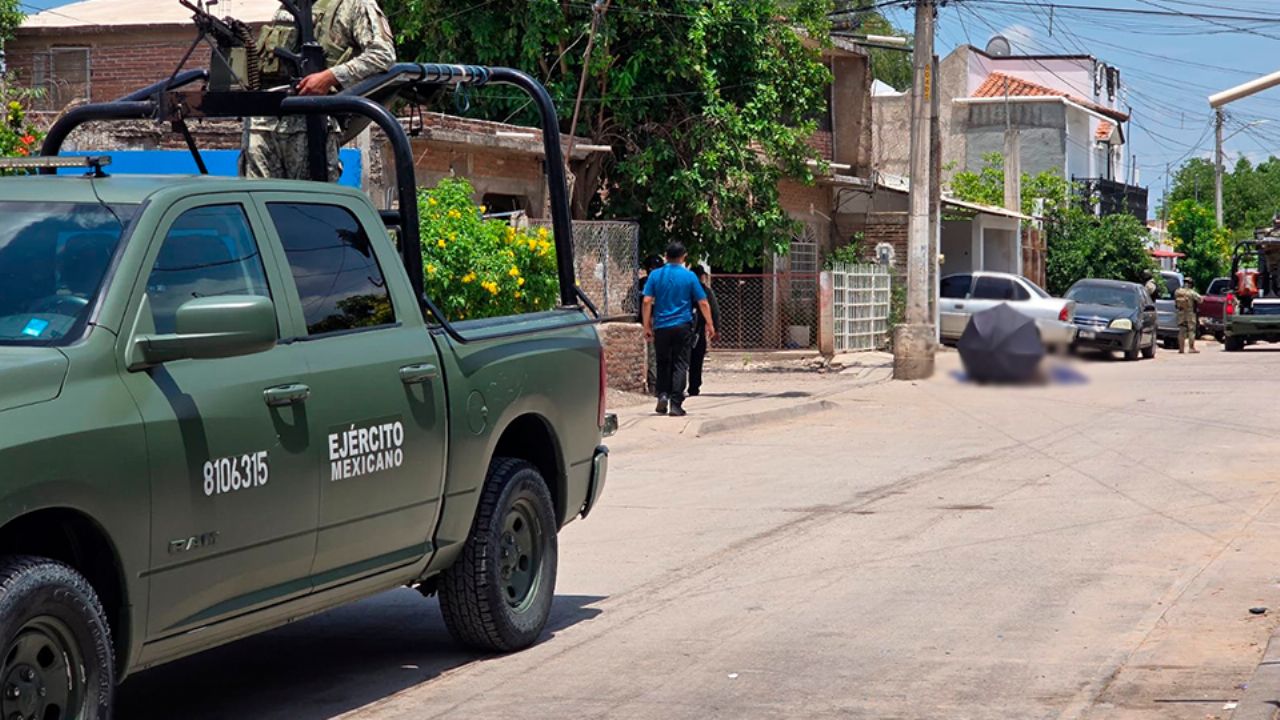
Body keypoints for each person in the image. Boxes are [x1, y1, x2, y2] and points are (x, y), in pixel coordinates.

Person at [242, 0, 397, 181]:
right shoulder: (288, 7)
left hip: (311, 126)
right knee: (257, 200)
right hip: (263, 124)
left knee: (310, 202)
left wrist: (329, 77)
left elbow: (383, 55)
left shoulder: (353, 4)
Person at [643, 243, 716, 417]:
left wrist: (647, 325)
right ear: (683, 256)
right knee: (681, 364)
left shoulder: (655, 275)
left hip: (661, 326)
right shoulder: (690, 277)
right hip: (682, 326)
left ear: (666, 256)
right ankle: (675, 404)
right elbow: (703, 302)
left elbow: (646, 301)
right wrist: (710, 324)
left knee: (662, 362)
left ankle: (662, 394)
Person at [686, 265, 721, 397]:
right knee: (697, 359)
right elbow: (715, 311)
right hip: (698, 329)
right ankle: (694, 387)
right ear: (702, 276)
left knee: (681, 359)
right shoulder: (705, 291)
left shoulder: (684, 290)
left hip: (683, 327)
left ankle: (677, 386)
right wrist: (715, 328)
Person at [1175, 279, 1203, 354]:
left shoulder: (1178, 291)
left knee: (1181, 330)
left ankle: (1181, 349)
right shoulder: (1191, 292)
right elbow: (1200, 299)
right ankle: (1191, 348)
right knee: (1191, 330)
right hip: (1190, 313)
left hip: (1181, 313)